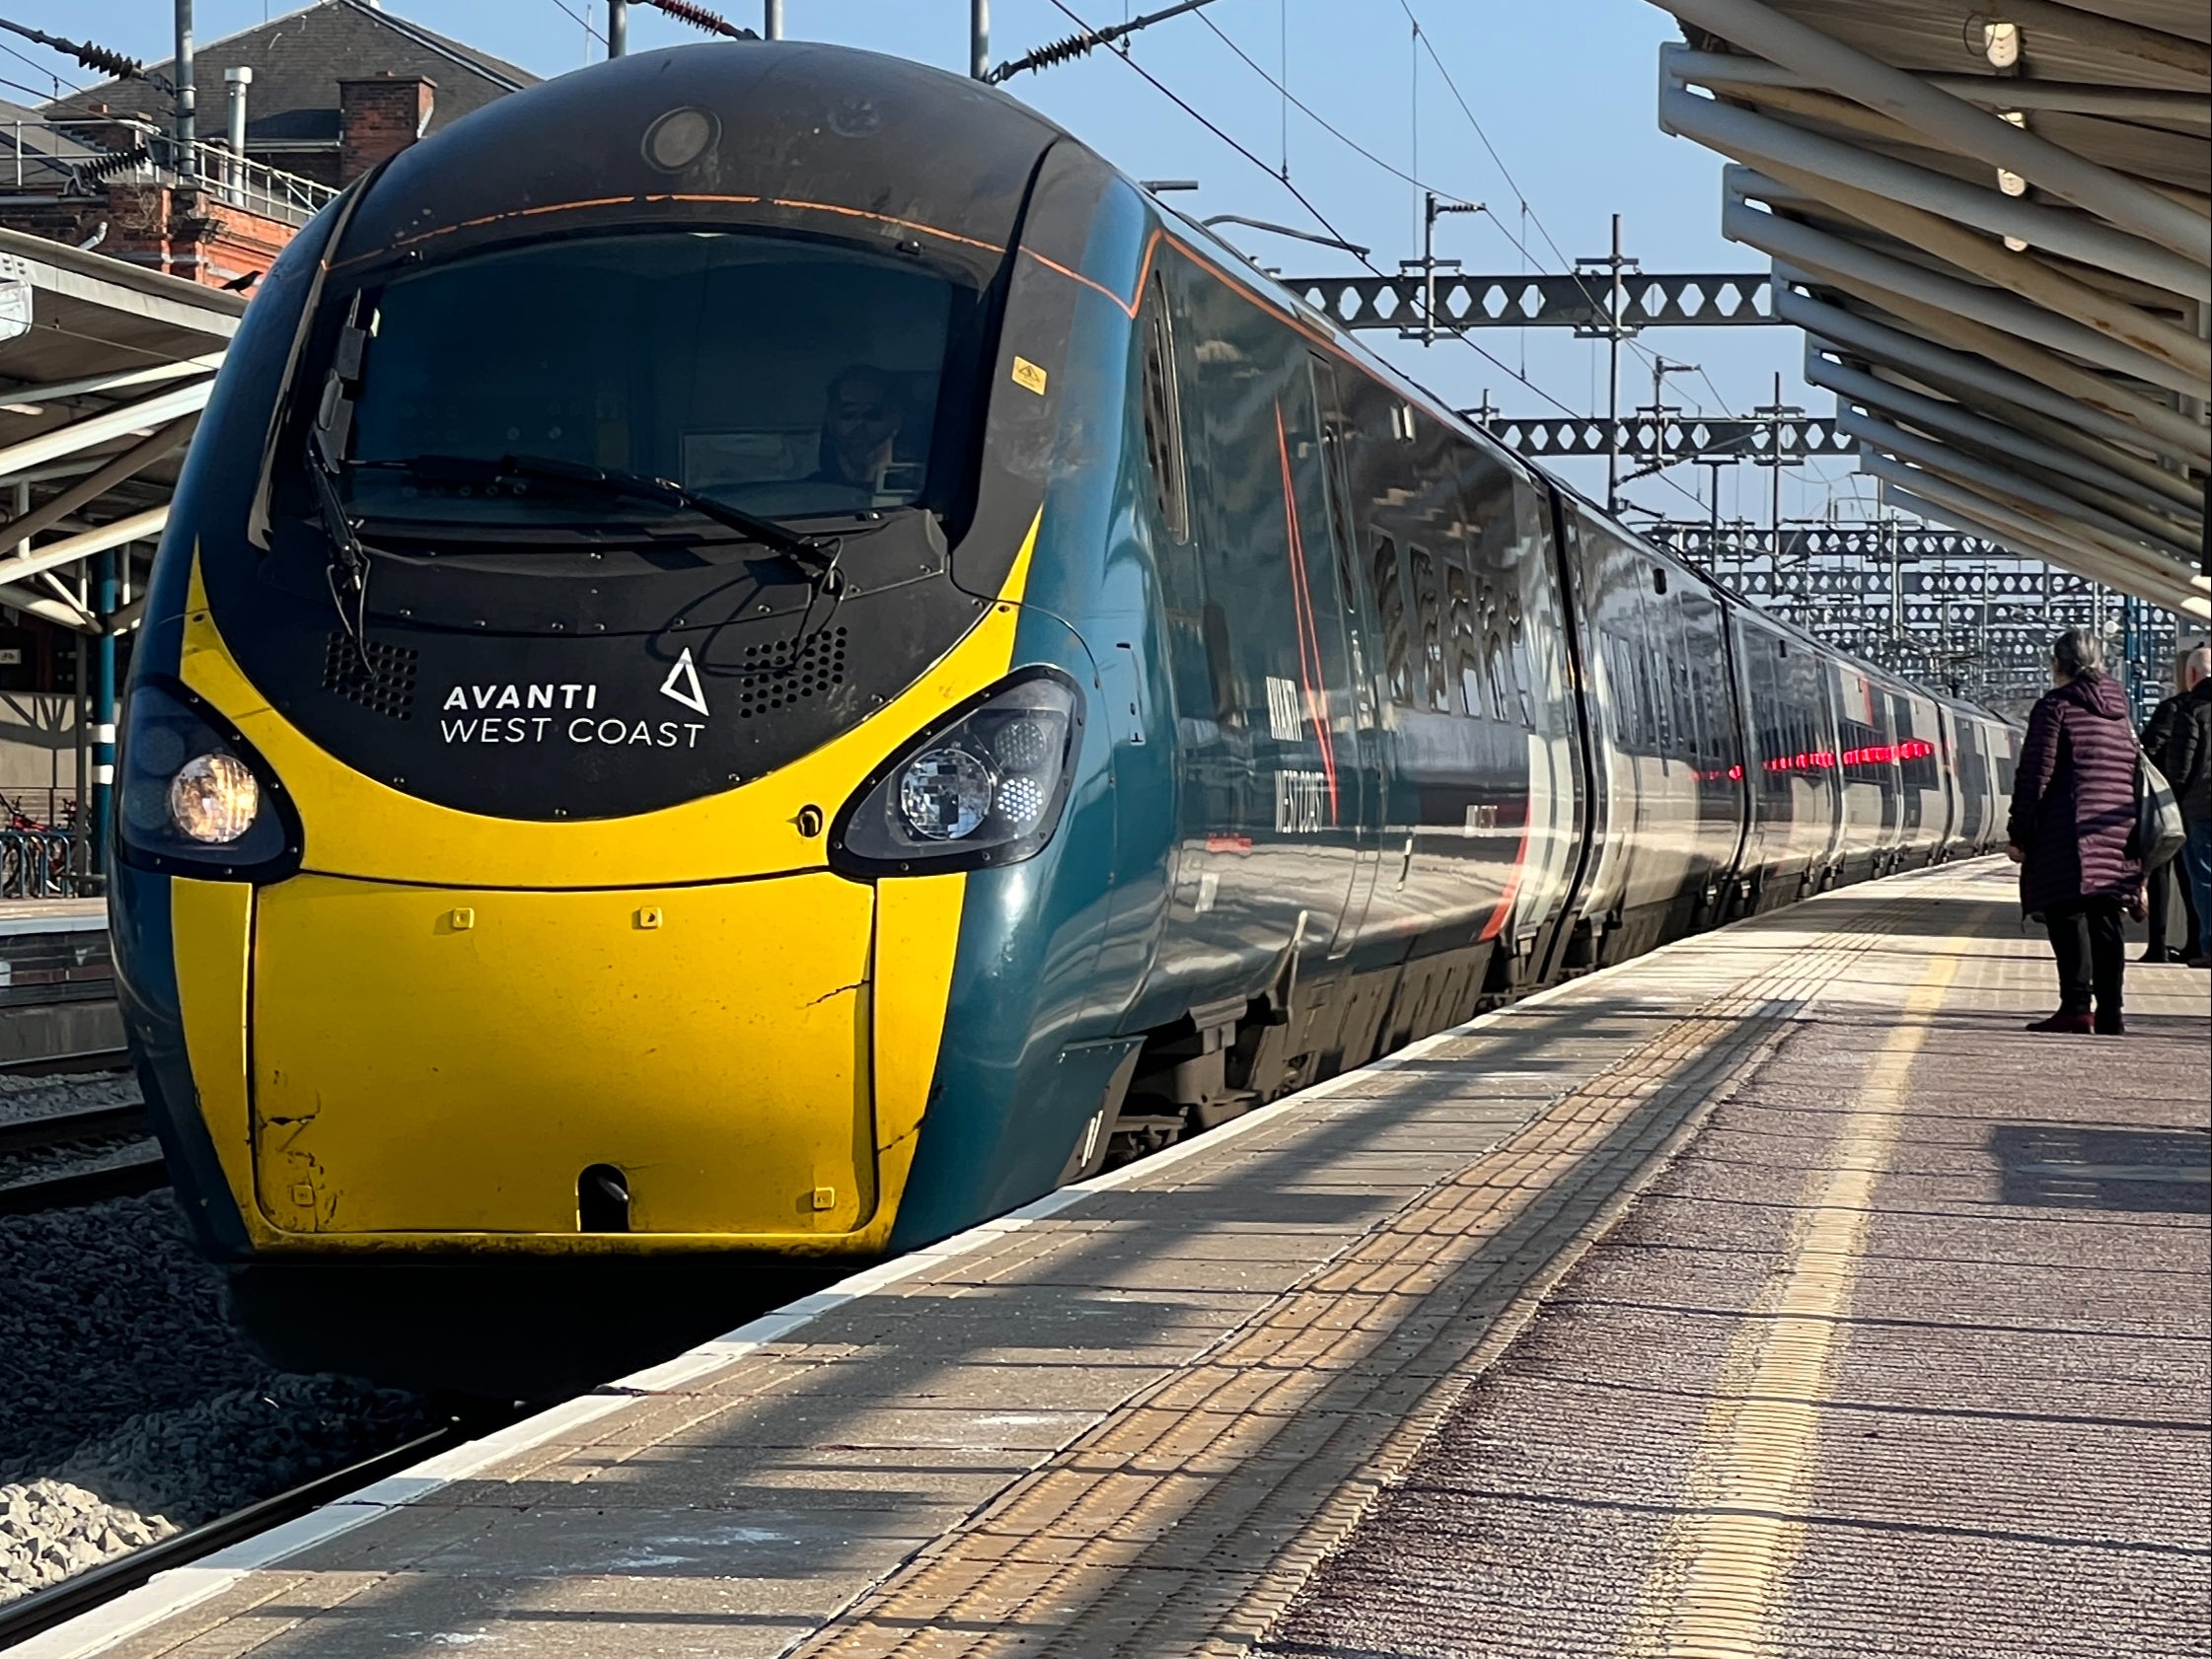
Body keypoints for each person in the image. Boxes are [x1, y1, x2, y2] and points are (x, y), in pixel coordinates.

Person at [2006, 627, 2142, 1035]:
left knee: (2067, 913)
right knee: (2105, 915)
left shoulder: (2056, 706)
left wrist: (2020, 831)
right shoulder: (2120, 710)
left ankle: (2077, 1006)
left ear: (2059, 663)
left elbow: (2036, 773)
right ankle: (2112, 1011)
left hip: (2067, 828)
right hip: (2117, 826)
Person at [2139, 647, 2204, 963]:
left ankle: (2158, 944)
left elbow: (2151, 752)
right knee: (2194, 877)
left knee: (2161, 872)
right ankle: (2196, 941)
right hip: (2195, 803)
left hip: (2173, 805)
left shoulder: (2175, 709)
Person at [2166, 643, 2212, 969]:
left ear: (2192, 675)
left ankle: (2210, 946)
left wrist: (2173, 802)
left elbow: (2180, 765)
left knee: (2205, 878)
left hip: (2202, 807)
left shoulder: (2192, 709)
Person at [810, 365, 903, 491]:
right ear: (830, 421)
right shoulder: (812, 492)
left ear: (896, 421)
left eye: (873, 415)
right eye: (848, 415)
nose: (859, 425)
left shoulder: (917, 487)